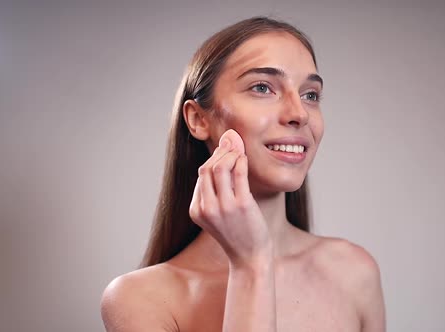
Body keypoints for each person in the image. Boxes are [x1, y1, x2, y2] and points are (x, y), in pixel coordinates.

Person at [100, 16, 386, 332]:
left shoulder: (354, 273)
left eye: (310, 94)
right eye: (262, 87)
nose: (299, 114)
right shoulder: (139, 299)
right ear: (198, 119)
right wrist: (251, 264)